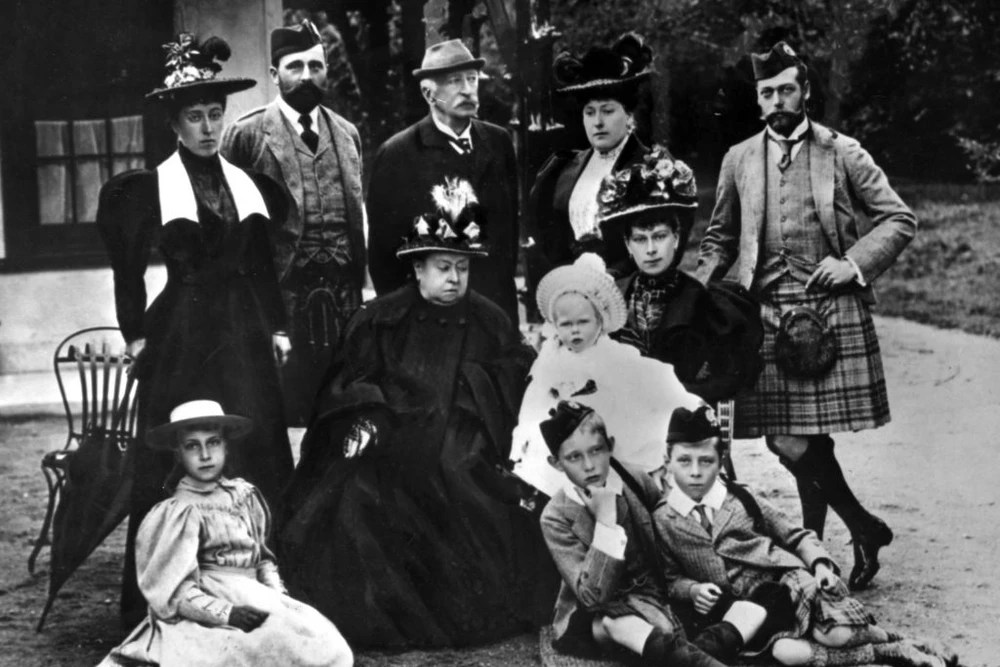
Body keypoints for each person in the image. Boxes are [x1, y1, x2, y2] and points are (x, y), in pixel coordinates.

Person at [280, 178, 552, 648]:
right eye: (443, 267)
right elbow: (350, 380)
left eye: (462, 268)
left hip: (463, 437)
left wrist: (472, 398)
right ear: (418, 269)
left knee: (464, 478)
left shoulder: (489, 319)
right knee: (361, 495)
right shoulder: (381, 318)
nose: (454, 279)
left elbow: (514, 378)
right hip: (391, 432)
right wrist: (368, 415)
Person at [695, 41, 918, 588]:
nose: (777, 101)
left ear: (806, 91)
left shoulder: (842, 152)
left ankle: (814, 546)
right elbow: (720, 236)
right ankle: (862, 528)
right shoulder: (739, 158)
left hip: (828, 311)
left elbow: (898, 219)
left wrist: (852, 264)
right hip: (764, 312)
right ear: (757, 99)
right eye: (767, 92)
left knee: (802, 438)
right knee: (787, 439)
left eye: (786, 89)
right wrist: (695, 292)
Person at [96, 34, 293, 627]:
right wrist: (135, 333)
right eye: (194, 117)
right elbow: (128, 269)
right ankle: (171, 588)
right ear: (174, 124)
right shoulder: (149, 189)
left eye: (214, 114)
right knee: (183, 445)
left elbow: (261, 266)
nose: (208, 128)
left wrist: (278, 327)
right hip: (184, 329)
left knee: (253, 441)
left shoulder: (246, 183)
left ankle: (261, 582)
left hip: (245, 331)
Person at [654, 405, 959, 667]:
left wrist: (821, 565)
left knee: (835, 633)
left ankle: (902, 641)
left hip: (786, 582)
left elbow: (796, 535)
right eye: (684, 461)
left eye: (706, 461)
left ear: (721, 460)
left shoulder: (739, 497)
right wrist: (692, 590)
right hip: (743, 609)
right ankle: (888, 652)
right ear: (668, 461)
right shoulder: (664, 519)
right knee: (787, 653)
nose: (695, 472)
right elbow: (670, 578)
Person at [98, 400, 353, 667]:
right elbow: (173, 590)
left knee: (327, 647)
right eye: (192, 446)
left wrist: (277, 597)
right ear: (178, 454)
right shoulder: (179, 511)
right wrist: (227, 613)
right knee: (232, 653)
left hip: (255, 596)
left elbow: (262, 559)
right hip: (207, 608)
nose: (205, 455)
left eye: (213, 442)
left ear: (226, 446)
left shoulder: (243, 496)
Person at [538, 400, 761, 666]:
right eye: (574, 457)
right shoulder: (556, 516)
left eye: (596, 450)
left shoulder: (633, 478)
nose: (589, 465)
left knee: (751, 610)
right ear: (556, 463)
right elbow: (592, 597)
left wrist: (692, 588)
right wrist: (606, 521)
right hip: (604, 611)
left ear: (610, 446)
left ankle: (691, 655)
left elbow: (668, 533)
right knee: (623, 625)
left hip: (660, 594)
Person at [221, 20, 366, 426]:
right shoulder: (247, 135)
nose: (306, 76)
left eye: (316, 66)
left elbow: (358, 218)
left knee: (344, 407)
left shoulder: (347, 135)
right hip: (283, 301)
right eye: (295, 66)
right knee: (288, 409)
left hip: (343, 297)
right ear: (275, 74)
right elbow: (232, 230)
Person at [511, 253, 699, 497]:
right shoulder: (552, 357)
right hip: (566, 430)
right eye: (566, 324)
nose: (575, 331)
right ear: (555, 326)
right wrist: (525, 431)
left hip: (607, 422)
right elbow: (536, 397)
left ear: (599, 322)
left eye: (583, 322)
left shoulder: (610, 353)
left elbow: (640, 382)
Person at [366, 39, 520, 322]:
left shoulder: (498, 142)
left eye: (472, 79)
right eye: (454, 81)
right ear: (429, 93)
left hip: (494, 314)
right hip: (430, 321)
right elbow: (384, 255)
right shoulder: (398, 154)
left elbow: (508, 236)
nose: (467, 89)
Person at [598, 148, 764, 404]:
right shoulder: (612, 297)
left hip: (684, 416)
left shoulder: (704, 301)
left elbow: (726, 380)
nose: (651, 249)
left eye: (660, 236)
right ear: (628, 245)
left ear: (676, 238)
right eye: (640, 239)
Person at [526, 32, 655, 279]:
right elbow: (547, 239)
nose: (598, 122)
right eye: (590, 112)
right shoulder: (563, 167)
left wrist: (611, 277)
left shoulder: (650, 168)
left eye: (607, 111)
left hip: (628, 286)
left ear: (629, 116)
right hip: (573, 288)